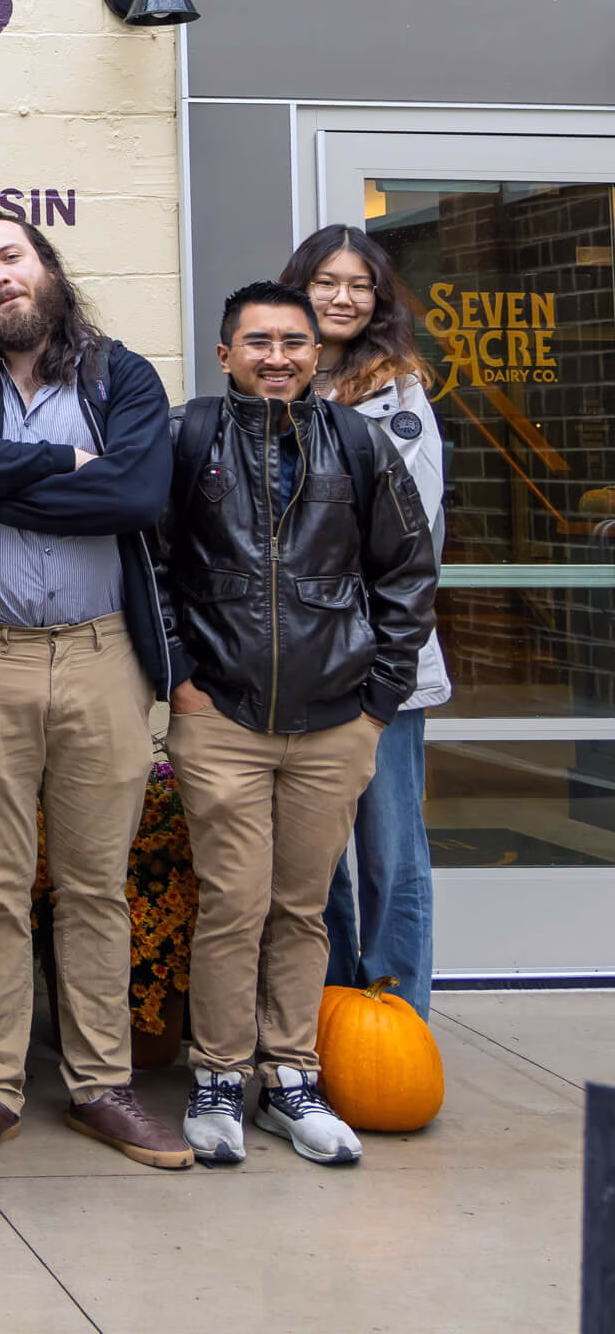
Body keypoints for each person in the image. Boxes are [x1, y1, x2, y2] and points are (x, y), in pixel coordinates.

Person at [0, 210, 189, 1171]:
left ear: (46, 266)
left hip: (106, 658)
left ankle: (101, 1085)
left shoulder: (121, 375)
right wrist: (65, 465)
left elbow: (138, 497)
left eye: (10, 258)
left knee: (96, 886)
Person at [162, 281, 436, 1168]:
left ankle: (290, 1077)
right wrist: (180, 678)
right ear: (224, 354)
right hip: (223, 716)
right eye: (256, 342)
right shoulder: (186, 436)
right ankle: (216, 1074)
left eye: (292, 342)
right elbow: (150, 562)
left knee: (302, 907)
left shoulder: (356, 443)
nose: (275, 357)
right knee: (235, 902)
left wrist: (379, 701)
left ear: (316, 354)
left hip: (334, 721)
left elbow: (406, 572)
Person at [280, 225, 450, 1019]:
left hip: (381, 659)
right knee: (315, 858)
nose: (342, 297)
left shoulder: (400, 396)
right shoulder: (275, 380)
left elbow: (408, 535)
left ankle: (395, 1019)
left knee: (389, 852)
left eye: (359, 285)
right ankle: (331, 1012)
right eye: (325, 281)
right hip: (293, 660)